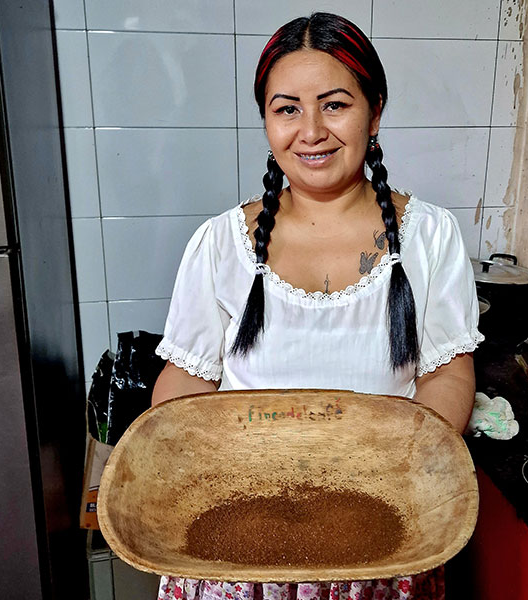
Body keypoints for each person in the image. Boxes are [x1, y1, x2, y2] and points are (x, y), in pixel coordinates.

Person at [151, 12, 483, 600]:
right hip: (246, 532)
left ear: (375, 111)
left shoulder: (430, 236)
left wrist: (395, 476)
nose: (311, 132)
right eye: (286, 109)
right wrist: (201, 478)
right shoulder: (220, 243)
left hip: (381, 528)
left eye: (334, 105)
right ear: (265, 120)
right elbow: (185, 381)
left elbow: (446, 371)